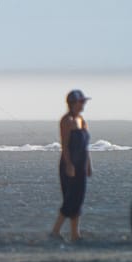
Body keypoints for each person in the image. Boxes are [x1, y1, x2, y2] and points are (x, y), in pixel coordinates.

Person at [50, 89, 91, 242]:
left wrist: (88, 164)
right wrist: (69, 164)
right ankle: (55, 231)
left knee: (79, 199)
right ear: (73, 103)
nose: (83, 105)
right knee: (70, 199)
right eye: (81, 102)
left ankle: (75, 234)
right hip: (69, 164)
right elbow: (65, 145)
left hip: (81, 164)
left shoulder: (82, 120)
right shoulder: (66, 121)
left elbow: (85, 146)